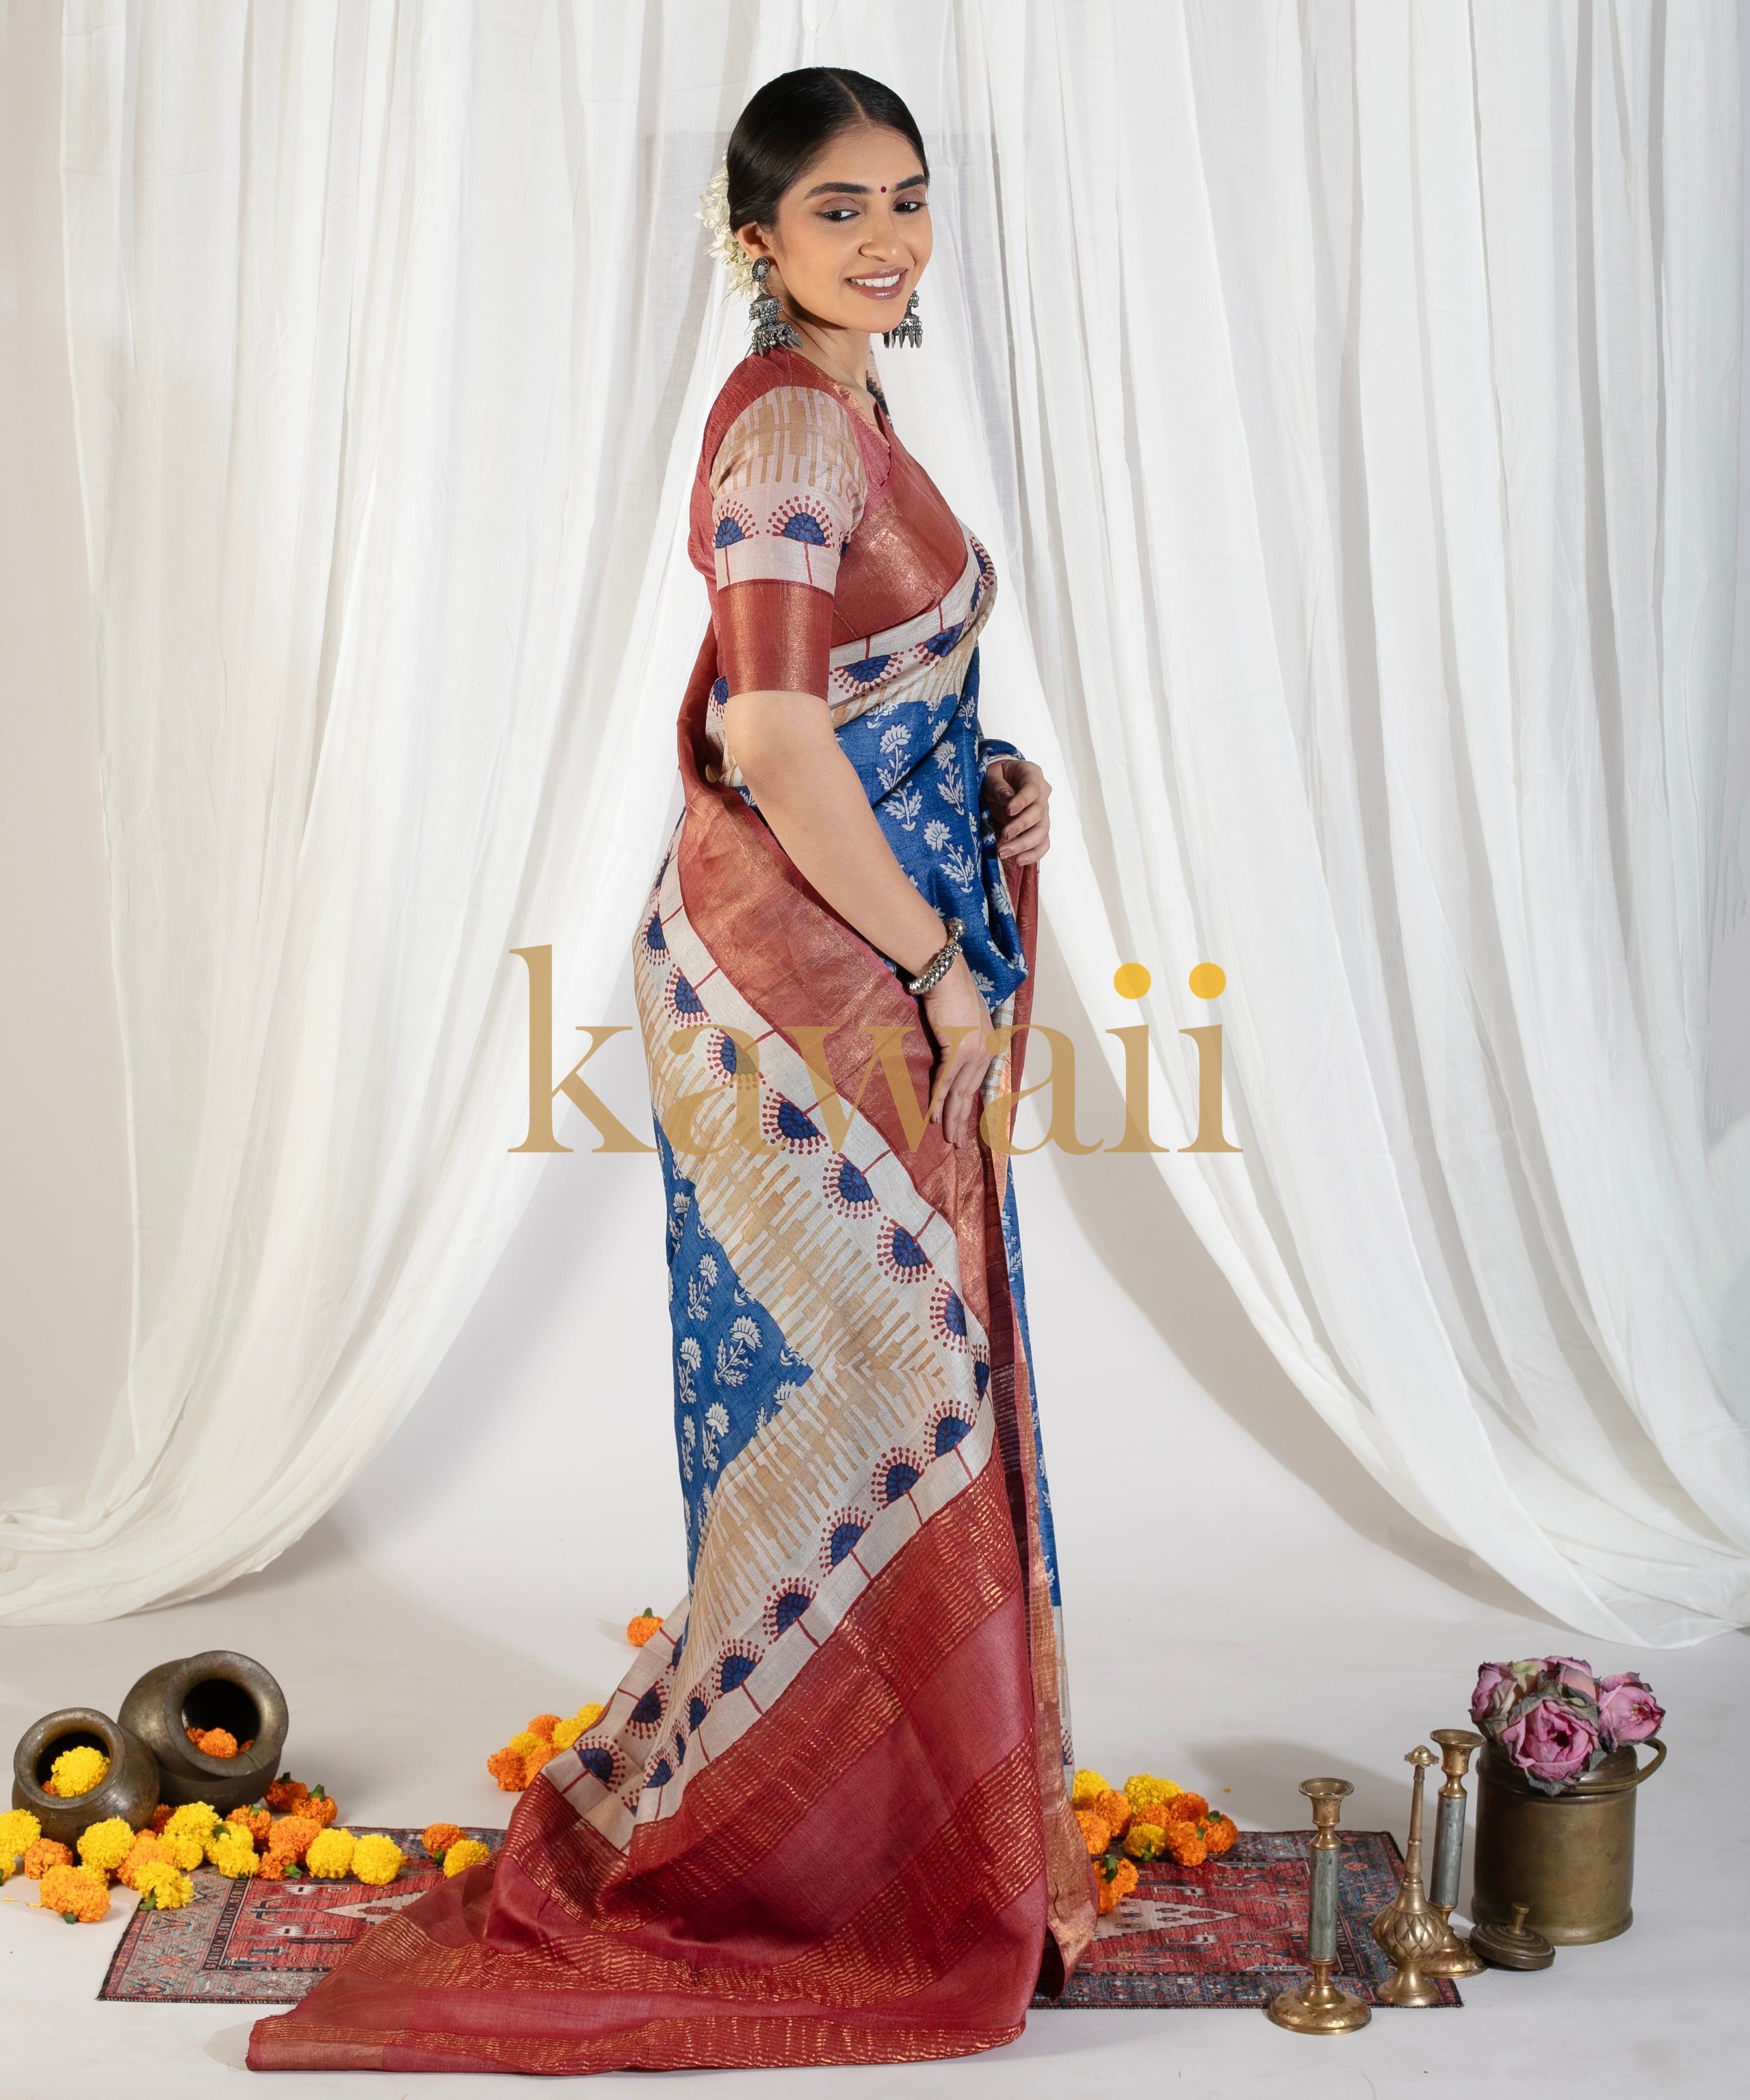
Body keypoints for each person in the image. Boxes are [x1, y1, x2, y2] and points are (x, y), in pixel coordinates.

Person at [248, 66, 1091, 2077]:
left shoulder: (850, 406)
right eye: (837, 211)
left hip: (836, 971)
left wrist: (980, 785)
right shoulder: (797, 421)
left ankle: (864, 1834)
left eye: (906, 199)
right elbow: (782, 746)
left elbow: (847, 714)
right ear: (755, 241)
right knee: (888, 1425)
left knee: (892, 1427)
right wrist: (945, 971)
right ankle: (788, 1857)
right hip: (797, 1005)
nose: (887, 239)